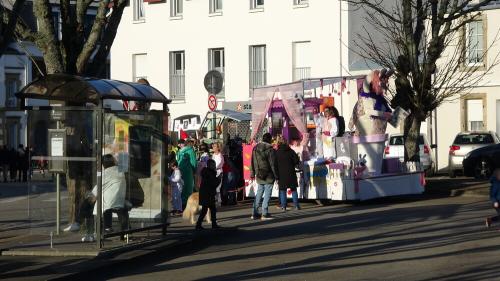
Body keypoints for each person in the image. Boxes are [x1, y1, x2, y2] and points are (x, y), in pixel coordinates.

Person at [250, 133, 278, 220]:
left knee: (259, 193)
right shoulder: (270, 149)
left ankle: (254, 213)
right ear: (269, 140)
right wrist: (277, 176)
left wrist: (252, 173)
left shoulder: (255, 148)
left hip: (259, 174)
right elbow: (273, 164)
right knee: (267, 194)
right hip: (269, 174)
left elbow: (252, 162)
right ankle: (264, 213)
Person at [196, 159, 221, 230]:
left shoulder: (207, 172)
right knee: (210, 209)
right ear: (210, 165)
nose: (214, 166)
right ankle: (213, 224)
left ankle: (200, 224)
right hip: (208, 194)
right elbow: (214, 184)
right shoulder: (210, 173)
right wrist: (219, 178)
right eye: (213, 165)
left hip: (206, 193)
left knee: (207, 209)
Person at [276, 139, 301, 211]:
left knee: (282, 190)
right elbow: (296, 161)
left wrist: (276, 175)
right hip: (291, 173)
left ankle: (283, 206)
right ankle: (296, 205)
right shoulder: (291, 151)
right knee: (293, 189)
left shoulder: (277, 152)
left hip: (281, 174)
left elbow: (274, 164)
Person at [177, 139, 197, 208]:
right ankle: (182, 203)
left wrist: (194, 170)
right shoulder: (179, 151)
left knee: (188, 187)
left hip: (188, 172)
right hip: (180, 172)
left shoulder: (190, 151)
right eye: (179, 144)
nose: (179, 145)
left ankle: (188, 203)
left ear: (184, 143)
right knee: (181, 187)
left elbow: (193, 162)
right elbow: (178, 161)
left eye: (181, 143)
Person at [212, 142, 224, 206]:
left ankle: (219, 201)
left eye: (214, 146)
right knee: (214, 187)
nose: (213, 147)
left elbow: (220, 164)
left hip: (219, 173)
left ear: (218, 148)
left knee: (218, 188)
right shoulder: (213, 155)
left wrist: (214, 168)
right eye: (213, 146)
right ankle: (215, 200)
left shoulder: (220, 155)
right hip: (213, 173)